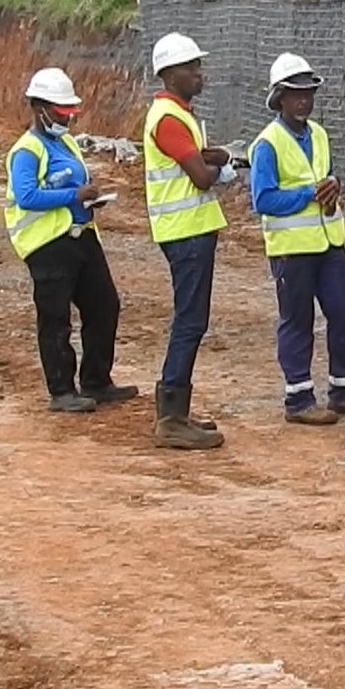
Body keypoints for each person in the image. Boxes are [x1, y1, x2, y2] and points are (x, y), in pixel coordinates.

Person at [248, 53, 345, 426]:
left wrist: (332, 187)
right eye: (296, 94)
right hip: (292, 252)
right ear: (280, 98)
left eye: (308, 93)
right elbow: (263, 200)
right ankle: (299, 399)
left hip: (329, 244)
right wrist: (308, 194)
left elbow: (328, 175)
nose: (304, 100)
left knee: (342, 315)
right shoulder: (267, 144)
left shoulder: (319, 135)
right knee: (297, 321)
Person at [2, 67, 136, 414]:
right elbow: (26, 196)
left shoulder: (67, 143)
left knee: (104, 306)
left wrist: (86, 200)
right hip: (48, 245)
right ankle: (61, 390)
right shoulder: (27, 150)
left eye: (70, 112)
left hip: (82, 239)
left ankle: (96, 381)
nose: (68, 118)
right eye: (61, 112)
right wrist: (74, 195)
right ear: (38, 108)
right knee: (55, 318)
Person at [143, 32, 240, 451]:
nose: (199, 73)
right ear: (168, 74)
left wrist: (215, 156)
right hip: (186, 233)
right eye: (190, 67)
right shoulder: (167, 118)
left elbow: (198, 156)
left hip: (188, 231)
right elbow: (199, 175)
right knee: (189, 321)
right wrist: (221, 170)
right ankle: (171, 417)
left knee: (190, 319)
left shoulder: (176, 114)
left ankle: (175, 411)